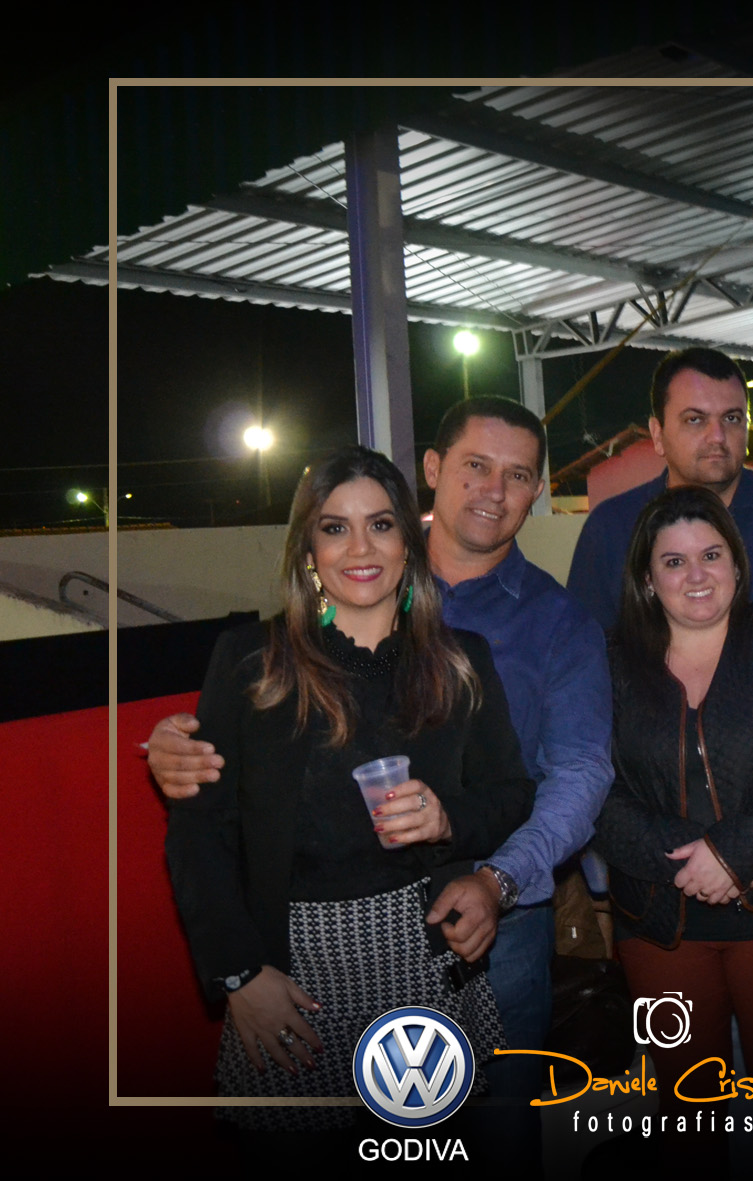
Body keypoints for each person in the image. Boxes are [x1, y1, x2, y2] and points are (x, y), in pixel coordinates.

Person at [148, 399, 614, 1161]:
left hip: (432, 953)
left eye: (380, 525)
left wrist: (453, 825)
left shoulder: (464, 656)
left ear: (406, 540)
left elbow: (529, 787)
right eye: (335, 527)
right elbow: (202, 831)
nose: (360, 546)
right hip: (292, 968)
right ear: (309, 547)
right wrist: (238, 973)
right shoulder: (253, 661)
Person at [565, 346, 753, 1128]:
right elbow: (586, 727)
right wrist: (680, 856)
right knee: (689, 1112)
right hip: (658, 890)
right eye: (695, 418)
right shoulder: (609, 531)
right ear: (655, 431)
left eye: (732, 418)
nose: (717, 435)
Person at [594, 485, 753, 1174]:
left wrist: (733, 853)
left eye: (711, 555)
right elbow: (591, 785)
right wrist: (689, 861)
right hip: (658, 914)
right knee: (688, 1116)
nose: (696, 574)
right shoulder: (610, 662)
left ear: (738, 564)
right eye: (673, 561)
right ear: (647, 578)